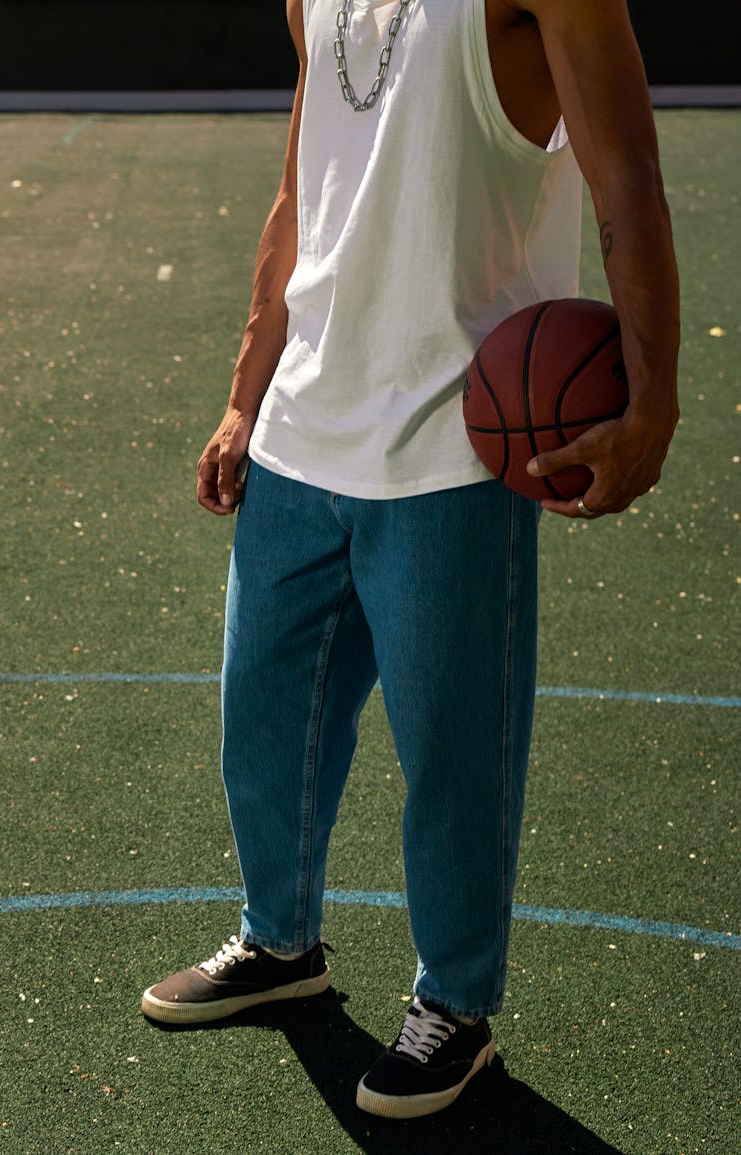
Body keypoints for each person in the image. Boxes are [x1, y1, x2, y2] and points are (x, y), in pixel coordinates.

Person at [141, 0, 679, 1120]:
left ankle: (456, 1007)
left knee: (453, 756)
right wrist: (247, 391)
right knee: (263, 715)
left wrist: (654, 398)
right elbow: (306, 186)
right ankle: (280, 943)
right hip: (302, 425)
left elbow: (628, 177)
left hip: (455, 440)